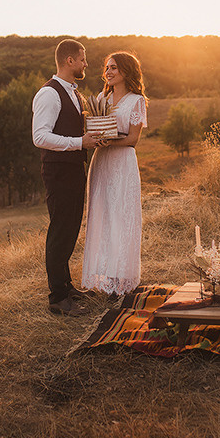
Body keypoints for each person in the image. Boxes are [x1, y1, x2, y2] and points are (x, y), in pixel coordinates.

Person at [32, 39, 107, 316]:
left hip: (75, 169)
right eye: (82, 58)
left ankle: (67, 286)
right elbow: (39, 136)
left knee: (71, 229)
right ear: (69, 61)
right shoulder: (49, 94)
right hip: (58, 171)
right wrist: (79, 143)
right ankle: (57, 298)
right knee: (60, 232)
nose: (86, 63)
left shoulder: (75, 93)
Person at [82, 51, 147, 297]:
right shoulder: (101, 98)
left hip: (122, 162)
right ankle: (103, 279)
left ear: (126, 72)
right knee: (102, 215)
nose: (108, 72)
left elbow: (133, 139)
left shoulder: (136, 101)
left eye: (114, 68)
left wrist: (111, 143)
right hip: (102, 162)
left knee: (122, 216)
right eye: (107, 68)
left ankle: (122, 279)